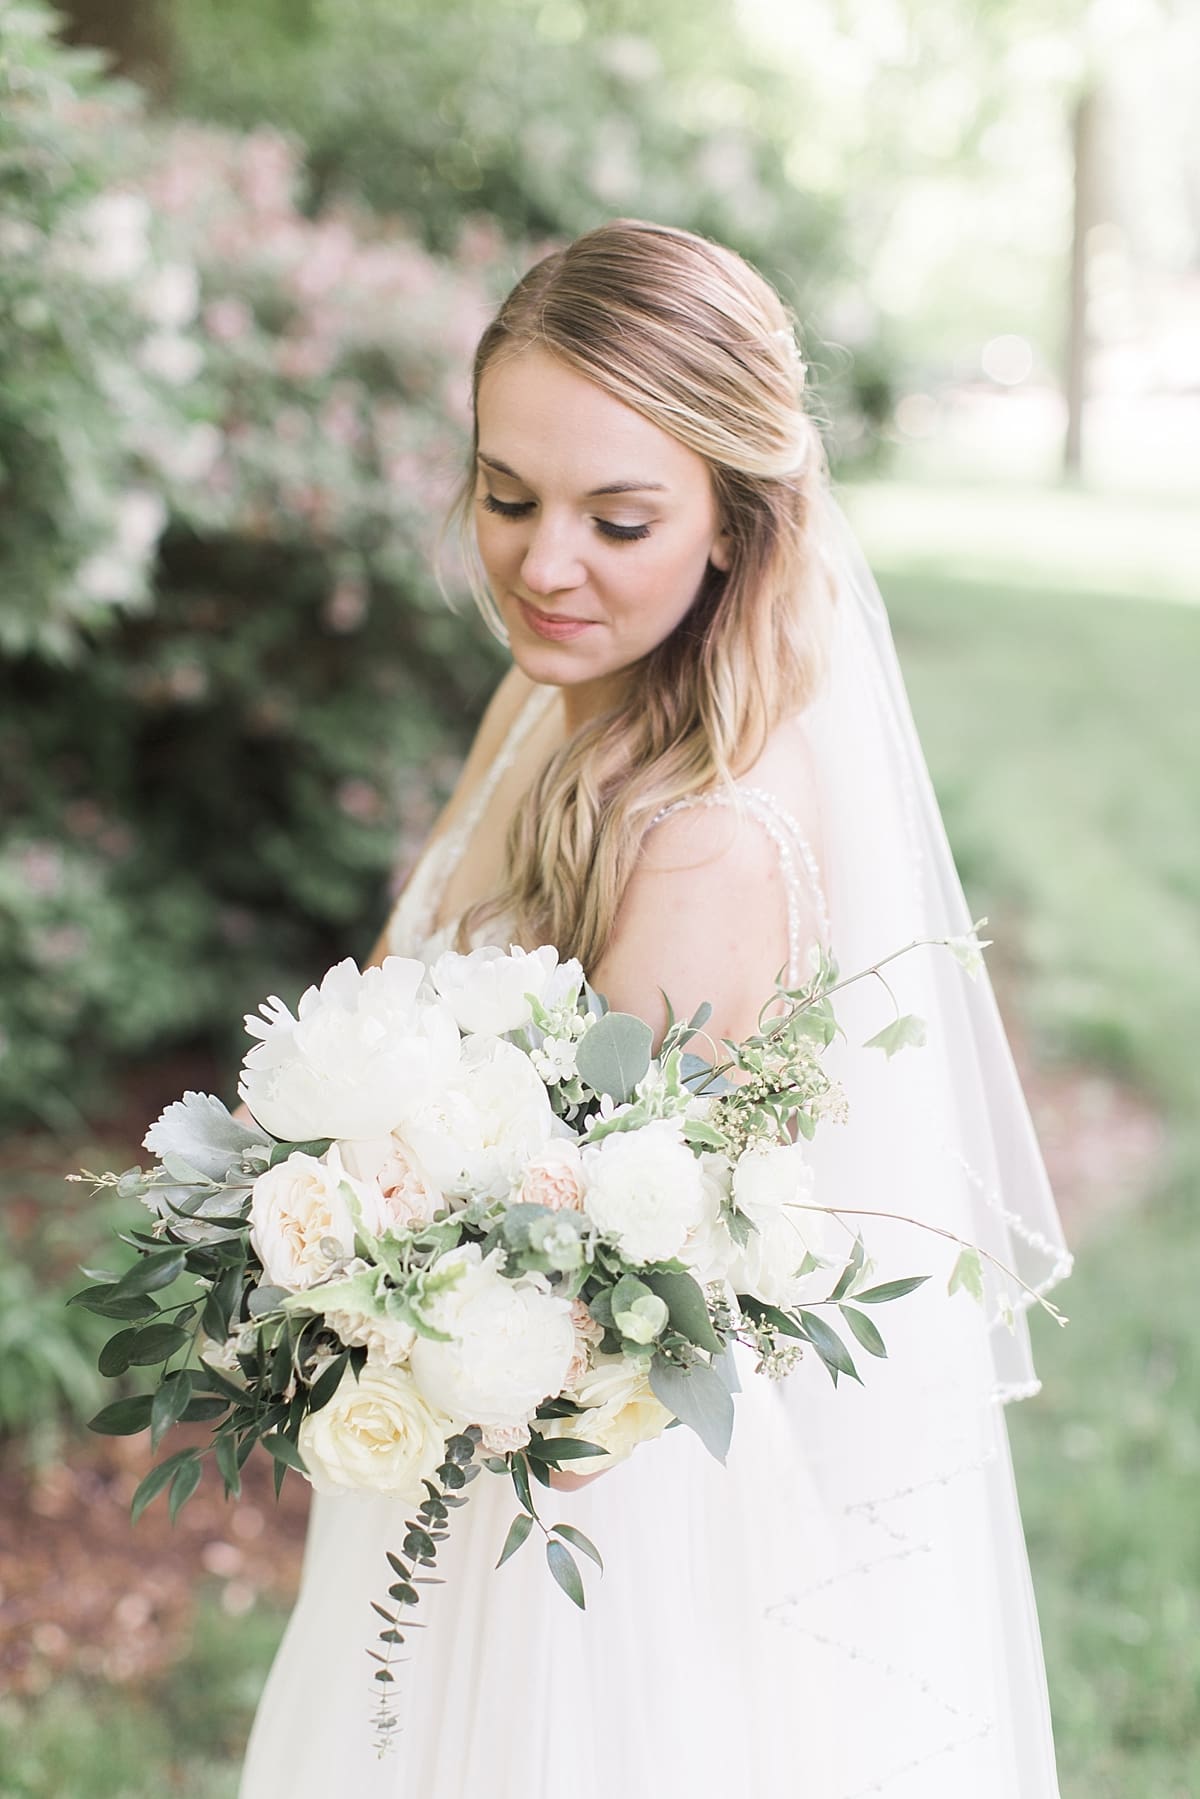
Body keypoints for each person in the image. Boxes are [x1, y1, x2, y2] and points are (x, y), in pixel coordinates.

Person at [236, 218, 1072, 1797]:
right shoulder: (553, 689)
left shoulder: (705, 841)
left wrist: (363, 1258)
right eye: (506, 497)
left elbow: (571, 1271)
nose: (546, 565)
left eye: (619, 518)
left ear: (736, 527)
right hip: (462, 1463)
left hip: (590, 1532)